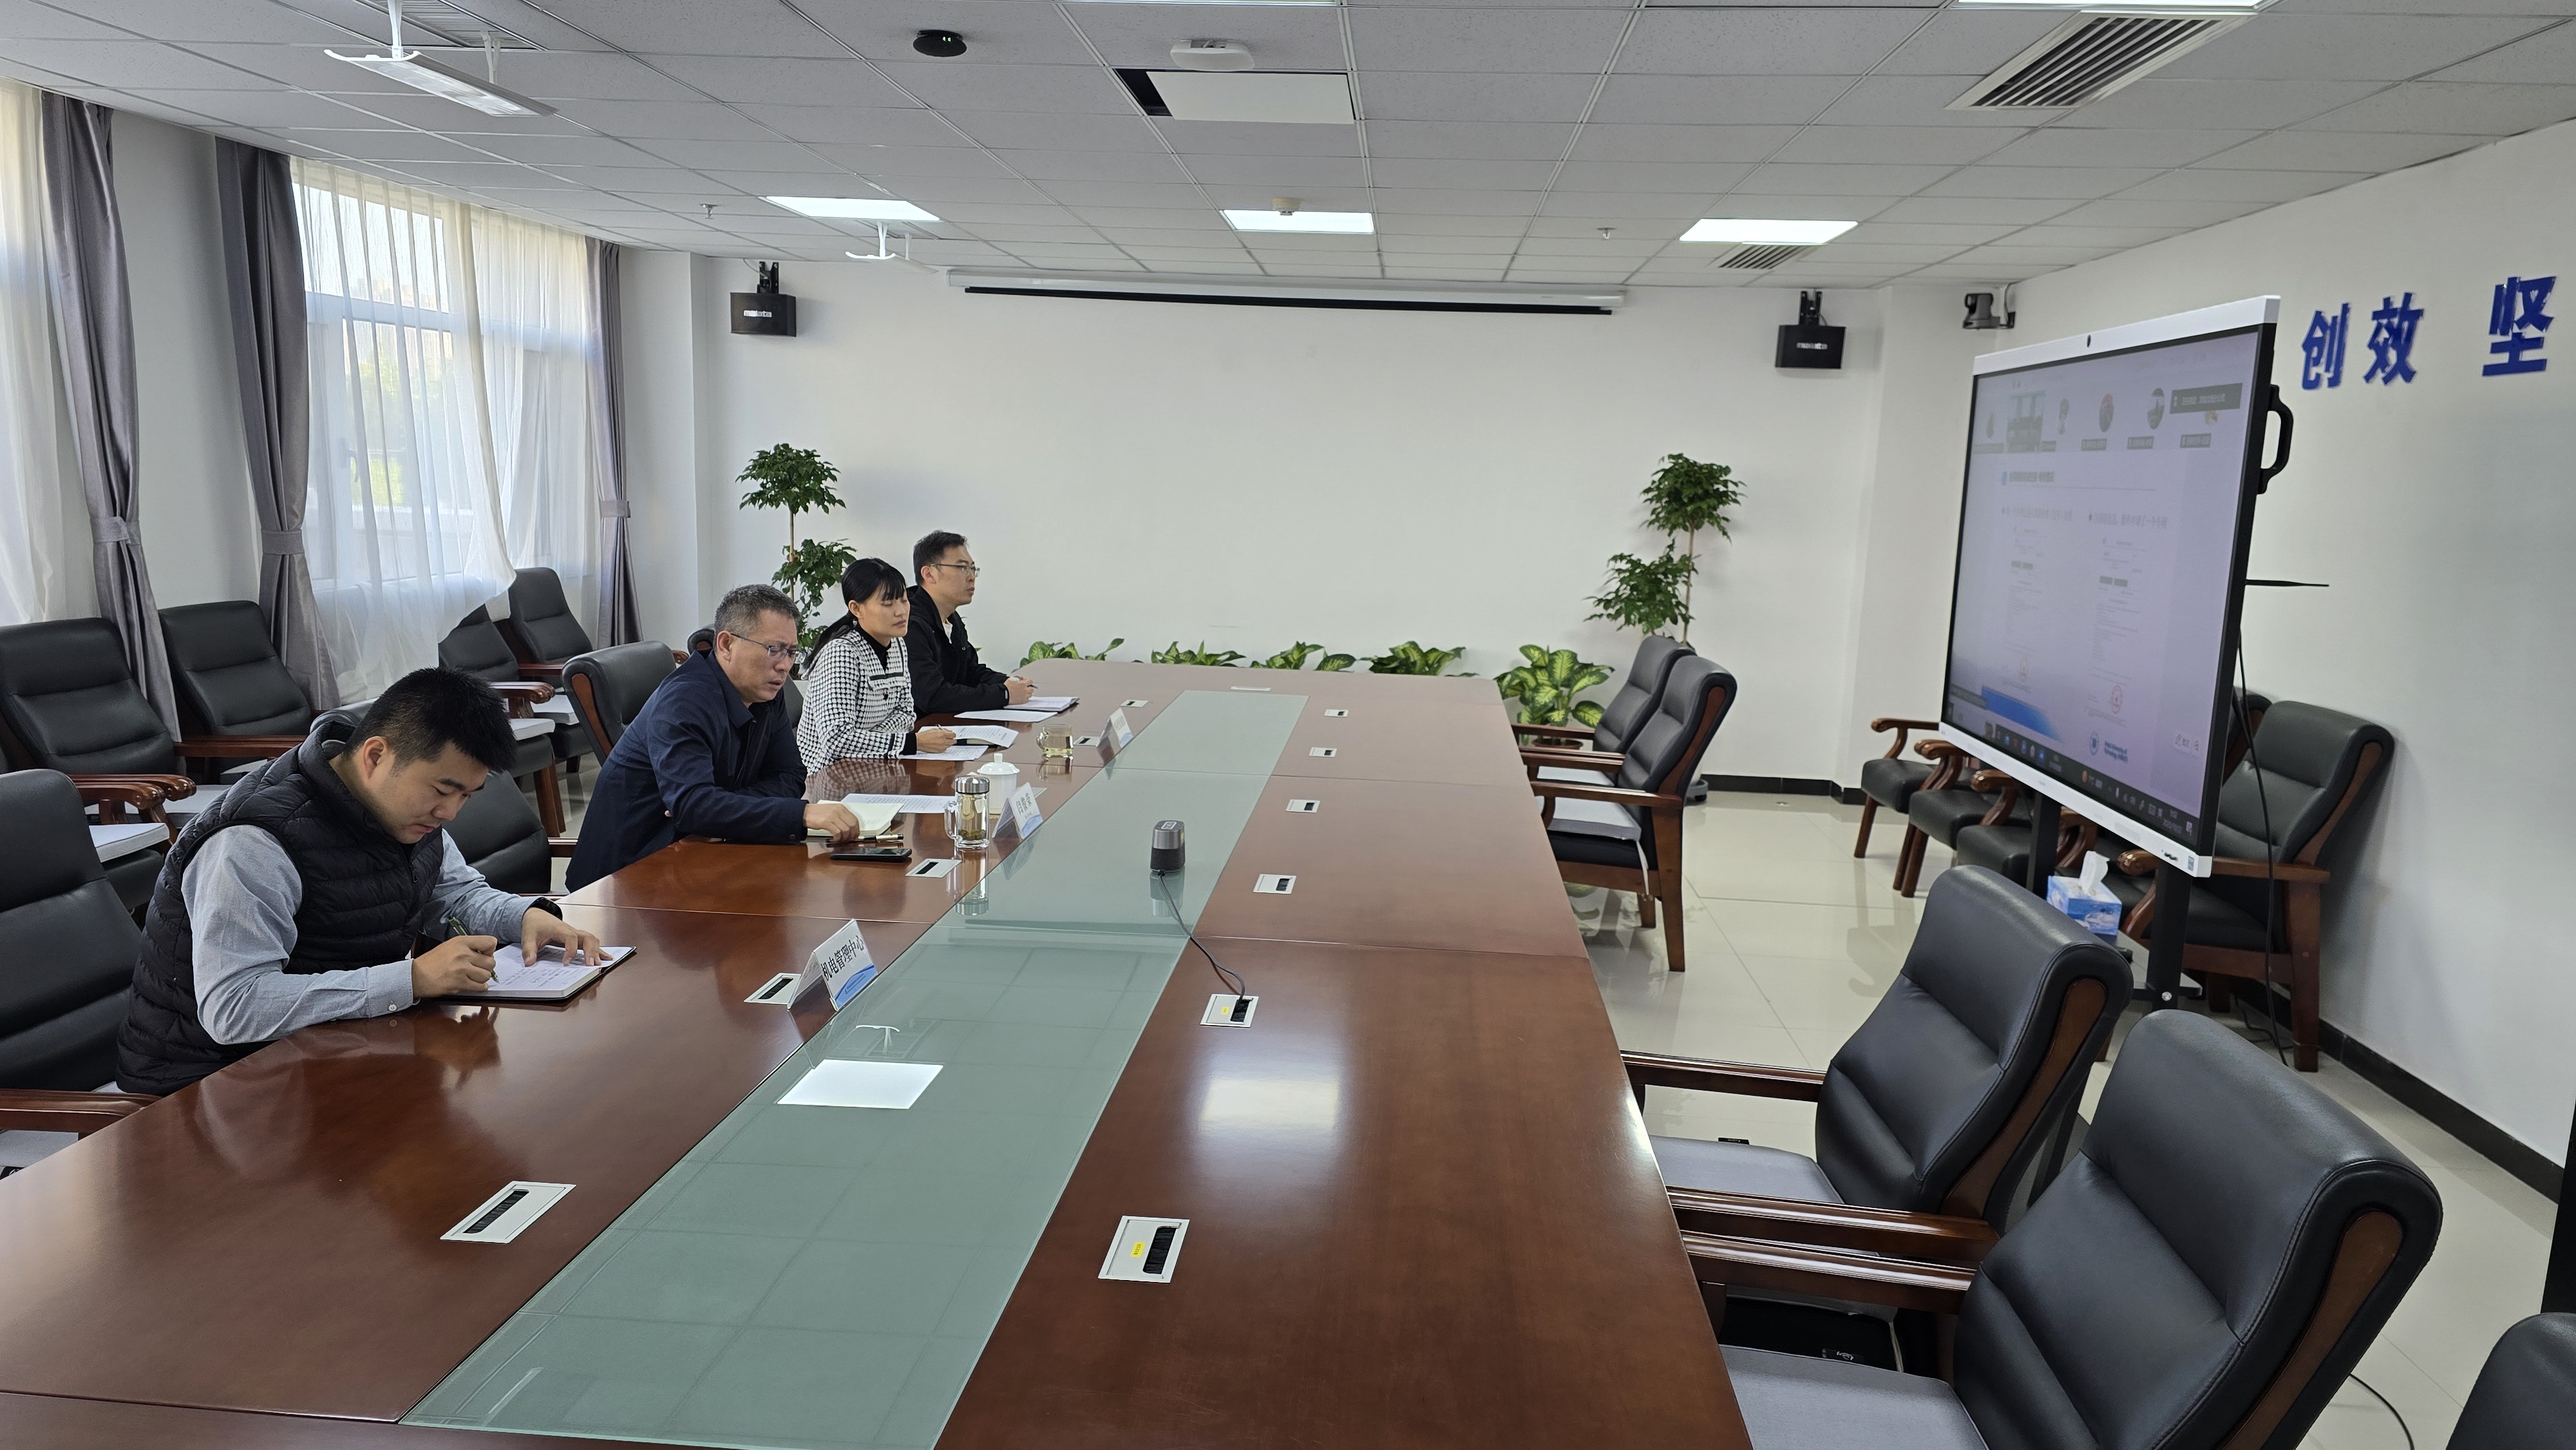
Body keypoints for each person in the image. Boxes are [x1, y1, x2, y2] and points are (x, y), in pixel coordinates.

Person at [117, 668, 607, 1095]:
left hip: (334, 1050)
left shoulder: (400, 809)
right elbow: (236, 1008)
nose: (451, 813)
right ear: (375, 756)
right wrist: (412, 979)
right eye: (443, 790)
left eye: (467, 796)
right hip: (213, 1089)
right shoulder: (253, 842)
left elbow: (454, 895)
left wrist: (524, 917)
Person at [565, 583, 866, 890]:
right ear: (726, 644)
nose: (785, 665)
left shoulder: (765, 692)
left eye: (791, 652)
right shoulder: (683, 702)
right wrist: (801, 814)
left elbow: (790, 776)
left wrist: (720, 810)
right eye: (773, 650)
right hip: (625, 878)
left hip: (697, 854)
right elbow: (695, 806)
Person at [799, 557, 960, 766]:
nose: (901, 611)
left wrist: (868, 738)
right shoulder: (841, 653)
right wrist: (911, 743)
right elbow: (837, 741)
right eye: (888, 603)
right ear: (856, 609)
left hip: (877, 764)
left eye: (904, 600)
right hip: (830, 773)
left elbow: (906, 714)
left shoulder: (898, 644)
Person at [906, 530, 1035, 715]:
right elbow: (933, 696)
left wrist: (1007, 683)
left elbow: (970, 672)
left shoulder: (951, 618)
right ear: (929, 574)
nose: (971, 576)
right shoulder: (910, 625)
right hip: (922, 729)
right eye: (962, 568)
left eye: (973, 569)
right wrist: (1004, 695)